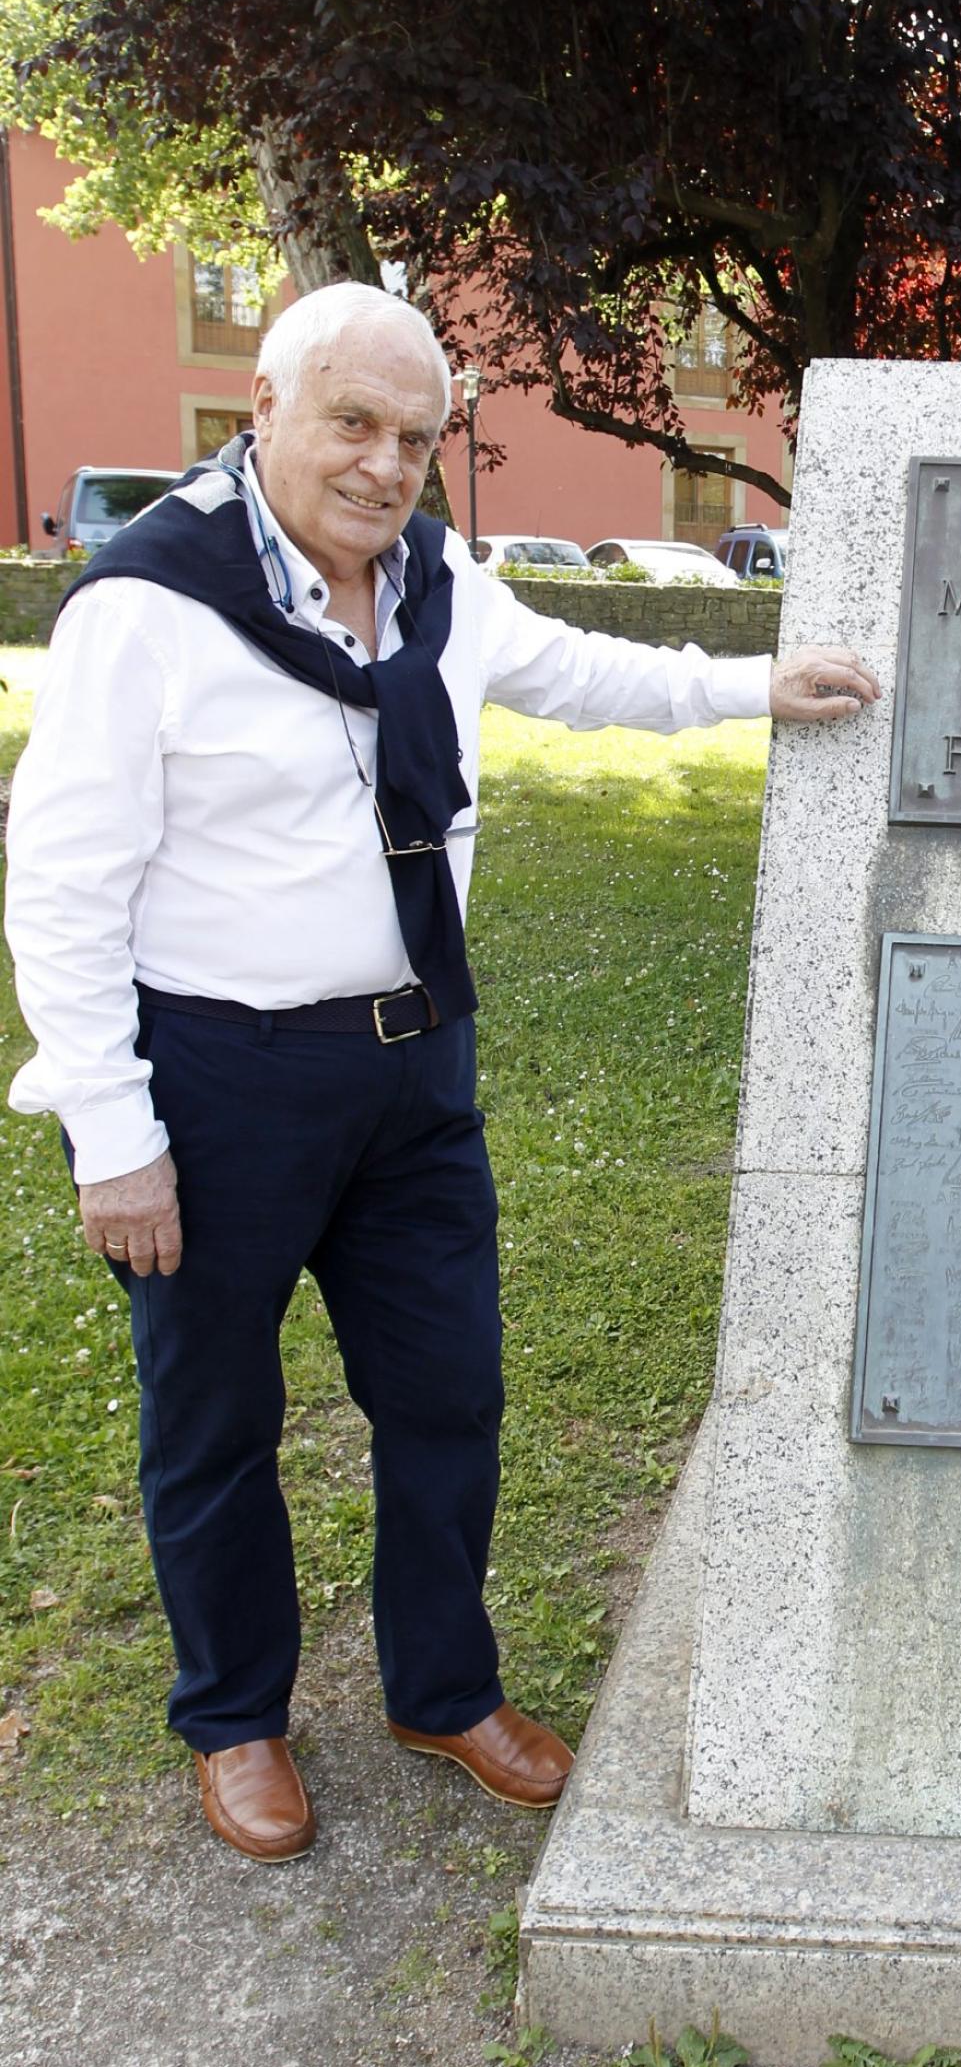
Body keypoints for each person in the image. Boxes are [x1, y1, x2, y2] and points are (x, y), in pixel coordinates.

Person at [4, 281, 877, 1861]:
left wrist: (757, 686)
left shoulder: (438, 582)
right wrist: (111, 1131)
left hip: (414, 1074)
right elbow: (62, 888)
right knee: (214, 1418)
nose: (387, 463)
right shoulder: (146, 610)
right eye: (353, 422)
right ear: (262, 409)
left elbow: (582, 674)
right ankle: (238, 1718)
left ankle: (441, 1687)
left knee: (449, 1396)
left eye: (416, 435)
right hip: (220, 1081)